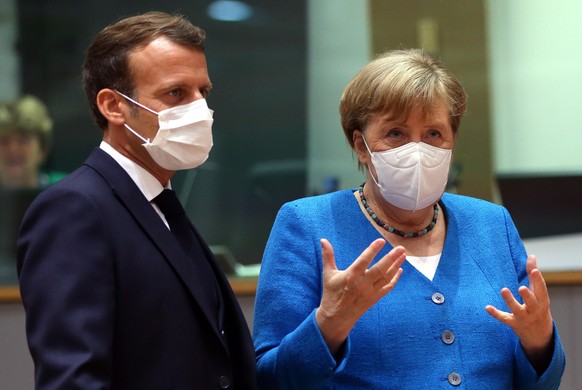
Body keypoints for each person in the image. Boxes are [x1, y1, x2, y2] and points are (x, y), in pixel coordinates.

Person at [253, 49, 565, 389]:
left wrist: (539, 341)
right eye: (396, 134)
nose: (417, 149)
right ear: (361, 145)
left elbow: (543, 380)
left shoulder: (492, 223)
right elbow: (269, 379)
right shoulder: (307, 223)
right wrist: (328, 324)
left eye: (433, 134)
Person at [17, 11, 257, 389]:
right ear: (114, 106)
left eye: (203, 92)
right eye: (175, 93)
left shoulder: (161, 201)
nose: (199, 110)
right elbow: (74, 379)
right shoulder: (74, 209)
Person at [0, 95, 63, 189]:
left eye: (23, 140)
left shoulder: (67, 188)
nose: (12, 149)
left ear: (43, 150)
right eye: (4, 140)